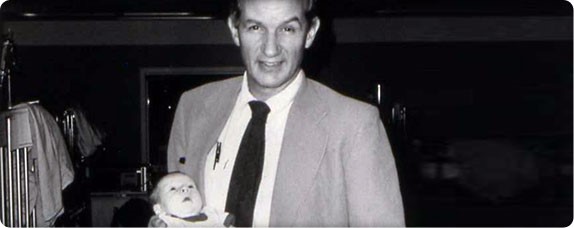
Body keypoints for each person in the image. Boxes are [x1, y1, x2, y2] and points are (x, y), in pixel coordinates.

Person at [167, 0, 405, 226]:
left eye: (288, 29)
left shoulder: (354, 125)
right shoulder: (193, 108)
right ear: (234, 29)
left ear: (310, 33)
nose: (270, 49)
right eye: (255, 27)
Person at [147, 172, 234, 227]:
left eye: (190, 186)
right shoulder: (166, 222)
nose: (185, 189)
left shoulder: (214, 215)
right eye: (173, 189)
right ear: (159, 209)